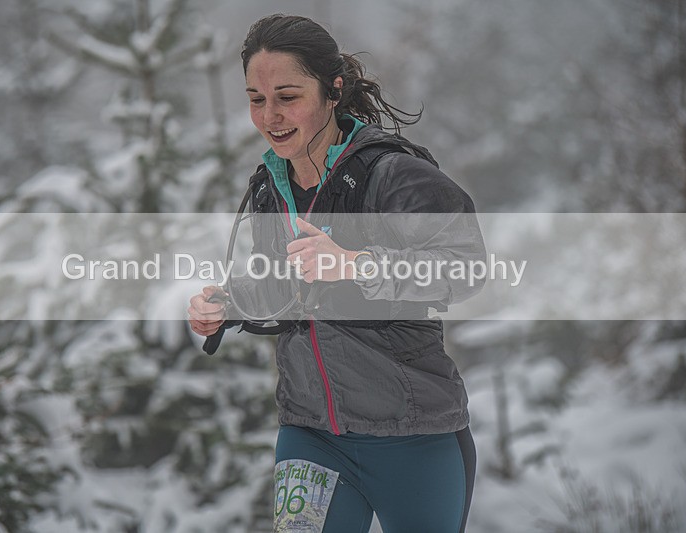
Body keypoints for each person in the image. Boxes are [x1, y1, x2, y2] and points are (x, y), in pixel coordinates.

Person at [188, 14, 486, 533]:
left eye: (287, 96)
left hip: (413, 434)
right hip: (310, 433)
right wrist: (226, 302)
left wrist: (356, 266)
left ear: (333, 90)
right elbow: (286, 287)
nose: (270, 116)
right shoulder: (270, 186)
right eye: (257, 99)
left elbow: (467, 268)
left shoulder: (393, 175)